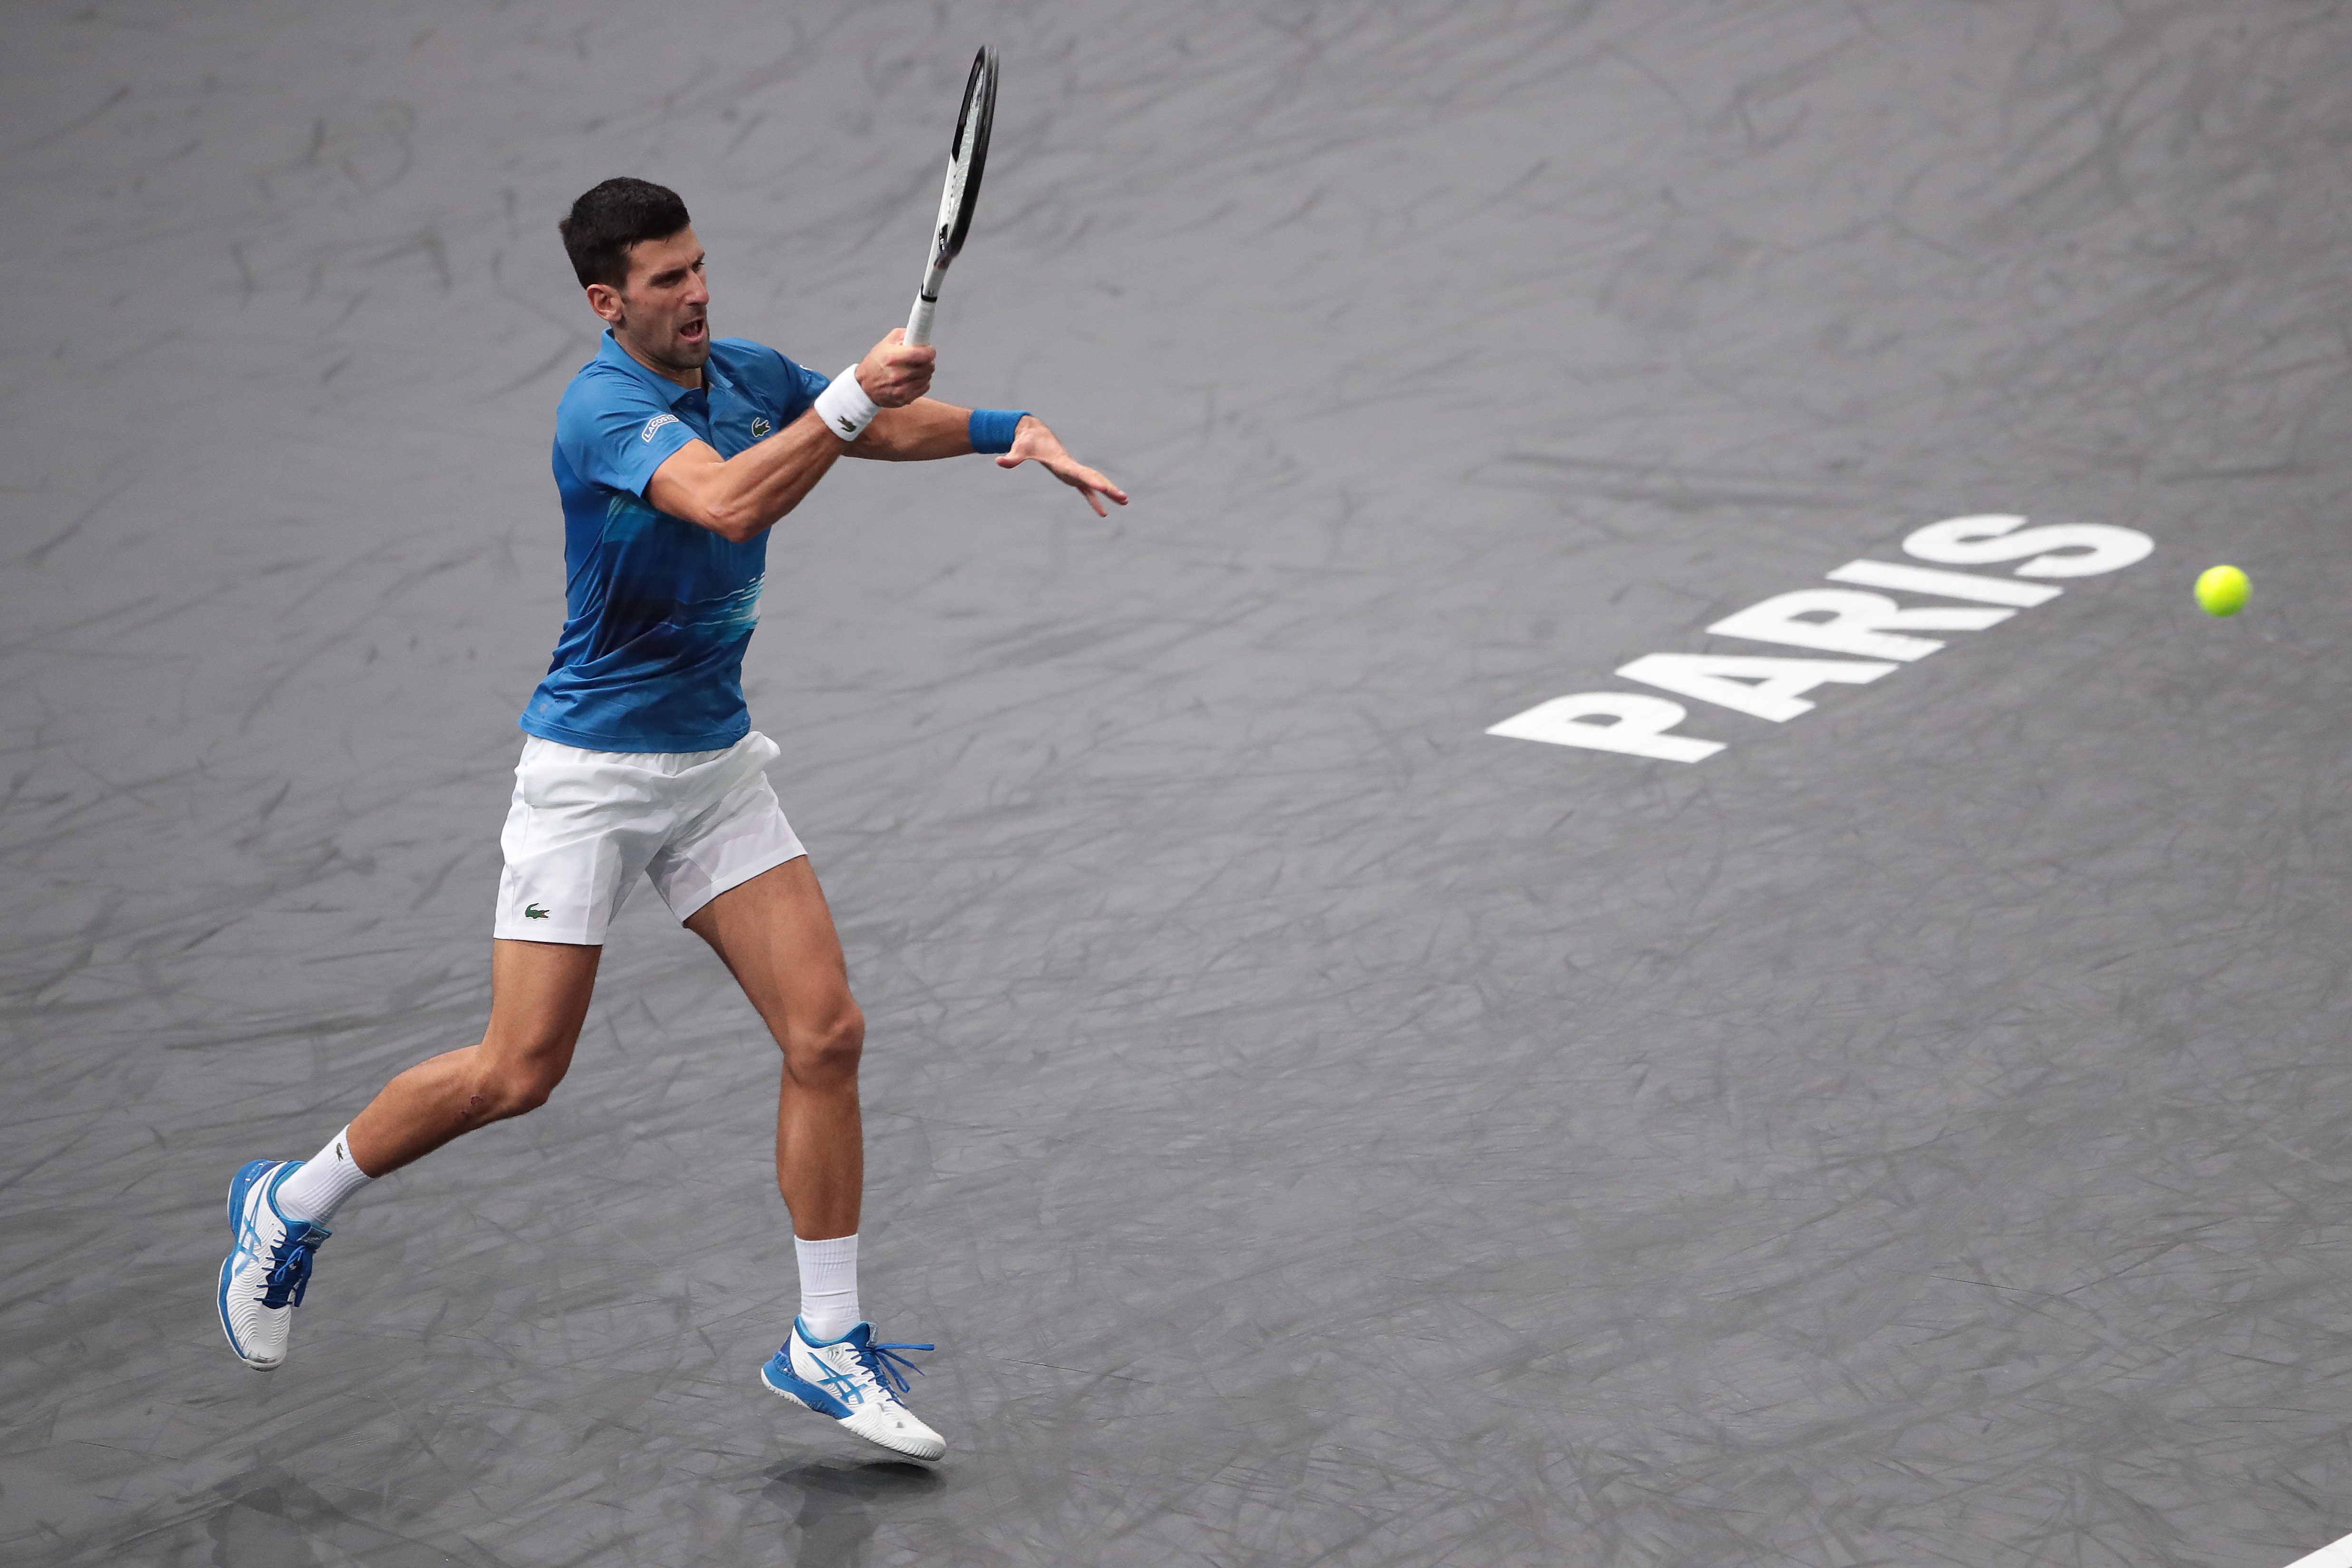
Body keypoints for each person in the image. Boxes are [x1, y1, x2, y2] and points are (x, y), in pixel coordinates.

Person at [215, 177, 1126, 1461]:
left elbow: (871, 428)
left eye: (698, 266)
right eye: (664, 279)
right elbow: (734, 498)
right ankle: (292, 1202)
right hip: (589, 779)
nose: (695, 293)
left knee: (827, 1033)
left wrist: (1002, 427)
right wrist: (849, 397)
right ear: (608, 300)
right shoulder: (600, 411)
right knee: (517, 1074)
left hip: (710, 771)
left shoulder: (745, 371)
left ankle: (824, 1339)